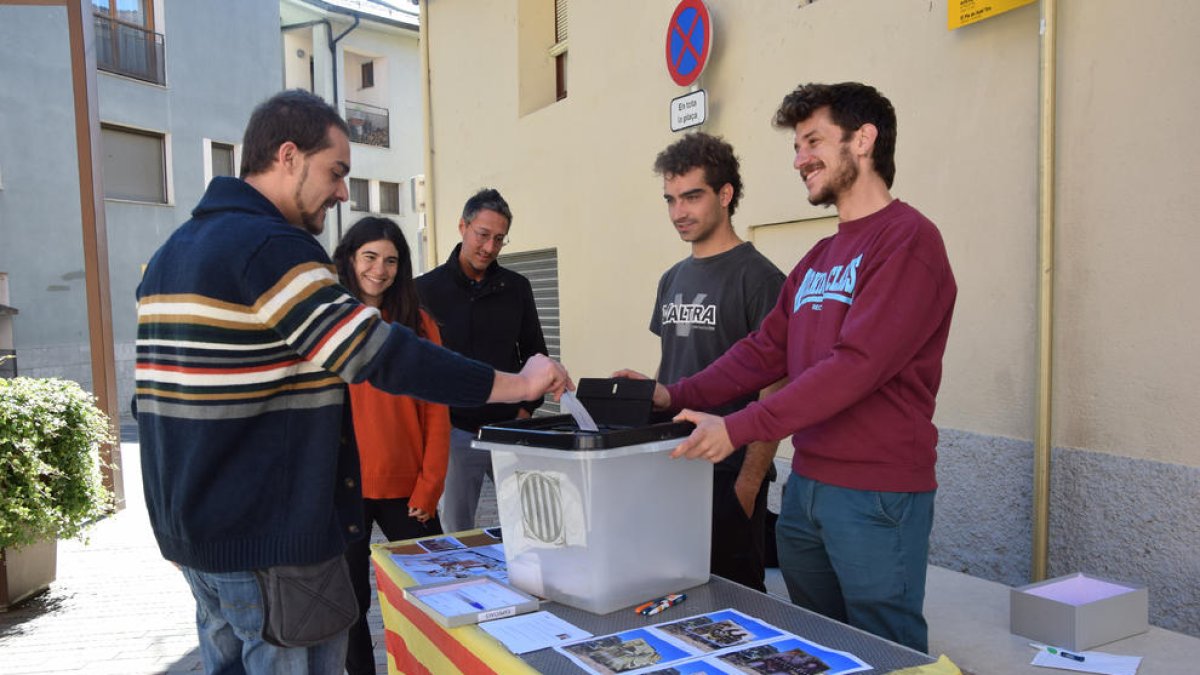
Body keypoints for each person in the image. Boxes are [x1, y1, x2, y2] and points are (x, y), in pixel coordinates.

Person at [134, 90, 569, 674]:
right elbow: (380, 354)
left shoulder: (171, 254)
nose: (342, 192)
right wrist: (518, 385)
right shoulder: (271, 247)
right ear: (288, 156)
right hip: (271, 547)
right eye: (336, 172)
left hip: (199, 541)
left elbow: (149, 403)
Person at [636, 83, 956, 652]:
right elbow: (763, 352)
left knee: (888, 652)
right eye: (796, 144)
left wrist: (737, 427)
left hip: (876, 494)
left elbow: (853, 368)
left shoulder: (909, 242)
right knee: (820, 646)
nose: (800, 157)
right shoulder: (819, 258)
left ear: (864, 140)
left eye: (813, 140)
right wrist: (670, 395)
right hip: (809, 488)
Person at [616, 133, 785, 592]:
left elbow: (777, 387)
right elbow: (670, 365)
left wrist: (748, 486)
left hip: (730, 471)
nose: (678, 212)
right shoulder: (671, 278)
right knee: (674, 592)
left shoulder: (762, 279)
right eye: (670, 200)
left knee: (737, 600)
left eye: (692, 196)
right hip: (673, 464)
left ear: (725, 194)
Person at [332, 217, 450, 675]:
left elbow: (436, 410)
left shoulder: (418, 325)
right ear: (349, 259)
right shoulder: (328, 322)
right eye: (370, 257)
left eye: (391, 261)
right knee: (350, 607)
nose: (380, 270)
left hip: (409, 489)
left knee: (435, 595)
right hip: (342, 491)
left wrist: (431, 484)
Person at [415, 188, 548, 533]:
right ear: (462, 226)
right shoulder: (424, 291)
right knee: (457, 530)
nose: (490, 247)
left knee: (526, 525)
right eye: (483, 235)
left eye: (499, 239)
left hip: (509, 430)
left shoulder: (516, 287)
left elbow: (535, 354)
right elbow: (417, 365)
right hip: (455, 432)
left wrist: (525, 413)